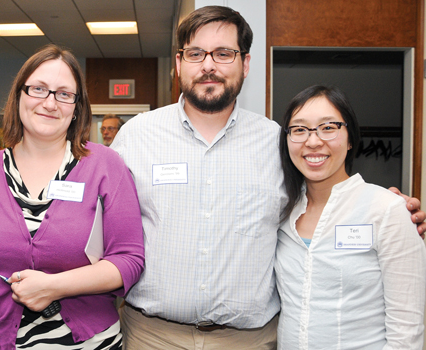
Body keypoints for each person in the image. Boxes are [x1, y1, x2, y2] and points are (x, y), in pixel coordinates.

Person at [111, 6, 425, 349]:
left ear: (245, 64)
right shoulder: (136, 137)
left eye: (224, 53)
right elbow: (100, 220)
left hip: (249, 340)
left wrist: (392, 212)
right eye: (196, 53)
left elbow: (326, 200)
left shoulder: (278, 142)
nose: (208, 65)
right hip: (151, 335)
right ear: (178, 63)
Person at [0, 44, 144, 350]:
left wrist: (52, 287)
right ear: (19, 96)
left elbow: (129, 260)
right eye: (38, 89)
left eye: (63, 94)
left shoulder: (104, 165)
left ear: (77, 107)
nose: (50, 103)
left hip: (87, 342)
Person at [275, 85, 426, 349]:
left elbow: (407, 328)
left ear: (351, 138)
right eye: (299, 129)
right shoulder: (281, 212)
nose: (313, 141)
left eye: (328, 127)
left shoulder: (386, 210)